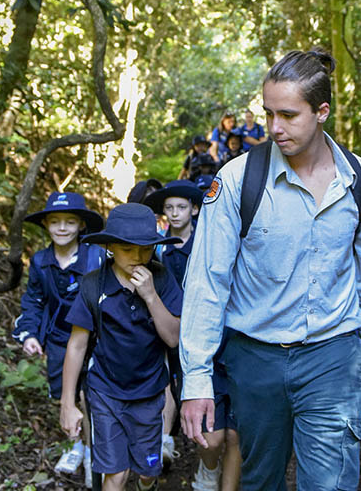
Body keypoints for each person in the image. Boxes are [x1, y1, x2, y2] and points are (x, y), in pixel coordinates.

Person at [179, 48, 361, 490]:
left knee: (331, 484)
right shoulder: (237, 180)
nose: (274, 128)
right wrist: (196, 379)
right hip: (256, 357)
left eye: (289, 115)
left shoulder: (360, 179)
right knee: (260, 481)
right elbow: (206, 282)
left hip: (333, 355)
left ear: (322, 112)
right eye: (269, 113)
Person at [59, 203, 184, 491]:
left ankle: (146, 483)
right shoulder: (93, 285)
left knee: (147, 470)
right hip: (105, 391)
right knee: (116, 472)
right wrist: (67, 402)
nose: (138, 257)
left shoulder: (162, 279)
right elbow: (77, 345)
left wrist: (151, 295)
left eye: (146, 249)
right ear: (111, 247)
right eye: (128, 249)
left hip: (149, 393)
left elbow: (174, 338)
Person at [146, 180, 242, 491]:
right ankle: (176, 447)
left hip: (225, 339)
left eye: (181, 207)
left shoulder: (210, 242)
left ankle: (214, 475)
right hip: (180, 331)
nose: (175, 213)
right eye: (169, 208)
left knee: (234, 434)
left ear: (195, 210)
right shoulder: (160, 249)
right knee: (175, 386)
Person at [12, 191, 106, 479]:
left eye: (69, 222)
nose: (62, 228)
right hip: (58, 338)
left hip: (95, 338)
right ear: (46, 226)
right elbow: (34, 301)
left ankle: (94, 455)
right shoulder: (40, 262)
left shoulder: (97, 256)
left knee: (89, 395)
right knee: (63, 394)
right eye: (55, 222)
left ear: (80, 225)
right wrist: (29, 334)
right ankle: (74, 444)